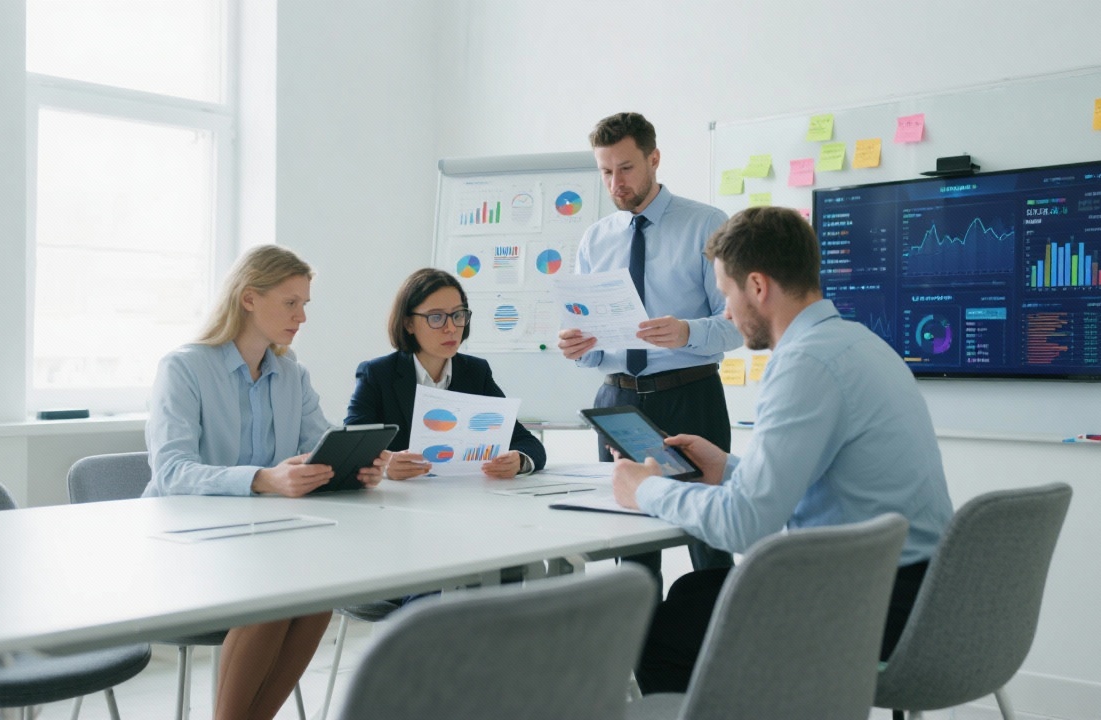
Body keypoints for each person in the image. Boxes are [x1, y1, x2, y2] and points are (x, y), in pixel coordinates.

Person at [611, 206, 955, 694]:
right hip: (918, 591)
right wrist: (728, 468)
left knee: (666, 633)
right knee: (695, 596)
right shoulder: (858, 342)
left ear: (757, 286)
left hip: (870, 606)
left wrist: (646, 491)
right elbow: (824, 480)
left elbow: (746, 524)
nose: (726, 313)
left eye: (726, 294)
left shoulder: (804, 363)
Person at [145, 245, 386, 720]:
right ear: (249, 298)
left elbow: (323, 445)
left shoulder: (292, 374)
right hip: (186, 545)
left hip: (263, 543)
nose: (301, 316)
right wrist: (263, 479)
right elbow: (171, 472)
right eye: (290, 302)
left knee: (315, 593)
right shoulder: (184, 368)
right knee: (278, 590)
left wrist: (360, 466)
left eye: (305, 304)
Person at [558, 111, 741, 582]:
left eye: (626, 168)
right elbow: (597, 346)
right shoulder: (595, 239)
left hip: (690, 395)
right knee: (629, 546)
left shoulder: (706, 225)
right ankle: (643, 656)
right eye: (605, 171)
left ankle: (716, 650)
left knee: (709, 537)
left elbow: (737, 324)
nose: (615, 183)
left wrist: (688, 333)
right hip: (617, 401)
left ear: (654, 159)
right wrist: (583, 348)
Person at [346, 267, 546, 479]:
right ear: (408, 323)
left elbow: (527, 442)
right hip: (397, 502)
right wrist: (386, 466)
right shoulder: (378, 374)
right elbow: (350, 448)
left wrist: (519, 460)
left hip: (462, 500)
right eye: (436, 317)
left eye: (457, 315)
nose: (451, 328)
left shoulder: (476, 372)